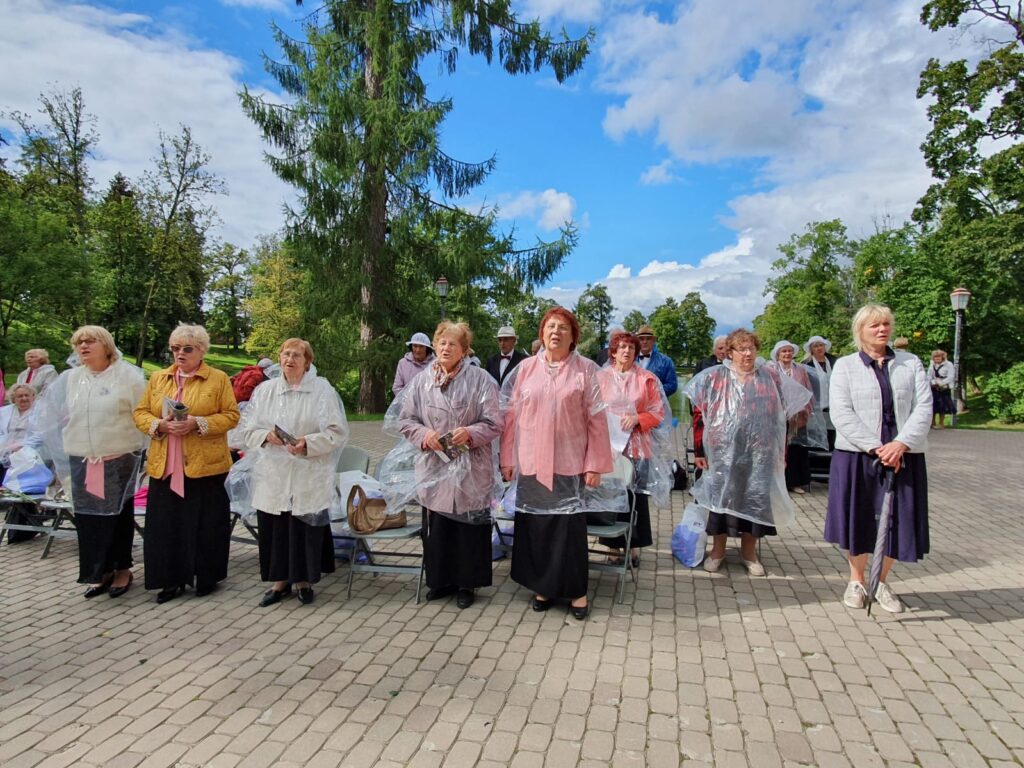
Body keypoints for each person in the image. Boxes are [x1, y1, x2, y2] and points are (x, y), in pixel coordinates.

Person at [500, 307, 613, 620]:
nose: (556, 332)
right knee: (537, 526)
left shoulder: (586, 370)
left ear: (573, 336)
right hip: (532, 462)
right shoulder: (524, 370)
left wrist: (594, 464)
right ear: (541, 334)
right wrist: (507, 458)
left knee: (568, 528)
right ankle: (543, 587)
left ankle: (576, 591)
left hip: (569, 461)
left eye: (563, 327)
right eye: (550, 326)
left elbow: (597, 420)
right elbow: (510, 416)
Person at [385, 321, 502, 609]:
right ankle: (440, 579)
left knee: (469, 527)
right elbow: (405, 420)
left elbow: (495, 421)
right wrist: (426, 436)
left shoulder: (481, 379)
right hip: (433, 464)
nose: (446, 347)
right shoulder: (421, 381)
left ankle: (467, 583)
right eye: (442, 342)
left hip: (471, 466)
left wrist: (470, 433)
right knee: (437, 526)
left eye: (453, 343)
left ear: (464, 349)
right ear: (434, 347)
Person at [825, 304, 932, 613]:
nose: (882, 330)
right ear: (861, 331)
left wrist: (900, 444)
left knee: (899, 520)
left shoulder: (910, 363)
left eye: (886, 324)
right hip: (859, 455)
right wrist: (876, 447)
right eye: (874, 325)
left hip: (904, 454)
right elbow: (841, 412)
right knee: (857, 517)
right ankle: (857, 580)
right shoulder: (845, 366)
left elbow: (923, 407)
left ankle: (880, 581)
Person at [231, 339, 348, 607]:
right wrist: (266, 435)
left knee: (303, 527)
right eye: (285, 354)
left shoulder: (322, 390)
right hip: (274, 472)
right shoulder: (265, 391)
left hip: (308, 471)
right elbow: (246, 430)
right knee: (276, 527)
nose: (289, 359)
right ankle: (279, 581)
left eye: (297, 355)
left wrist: (307, 443)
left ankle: (304, 581)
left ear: (307, 361)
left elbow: (337, 432)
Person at [686, 329, 811, 577]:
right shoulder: (716, 378)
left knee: (756, 500)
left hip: (760, 453)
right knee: (721, 500)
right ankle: (717, 551)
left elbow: (779, 420)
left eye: (751, 348)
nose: (747, 353)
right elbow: (701, 415)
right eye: (741, 349)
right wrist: (700, 450)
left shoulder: (769, 378)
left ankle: (749, 553)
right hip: (723, 453)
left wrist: (780, 454)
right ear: (729, 352)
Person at [133, 324, 240, 604]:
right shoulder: (158, 378)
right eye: (175, 348)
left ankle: (205, 577)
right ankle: (169, 580)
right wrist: (159, 425)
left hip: (204, 465)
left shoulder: (217, 379)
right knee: (165, 526)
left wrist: (198, 423)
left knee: (206, 524)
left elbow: (231, 416)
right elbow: (140, 412)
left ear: (202, 350)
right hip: (165, 464)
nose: (180, 353)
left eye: (187, 348)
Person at [40, 327, 146, 596]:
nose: (83, 346)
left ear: (106, 345)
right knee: (88, 518)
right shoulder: (71, 378)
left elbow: (143, 416)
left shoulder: (128, 376)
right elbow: (51, 415)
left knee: (118, 516)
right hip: (82, 458)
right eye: (78, 342)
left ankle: (122, 569)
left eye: (89, 341)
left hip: (118, 458)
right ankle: (99, 570)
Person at [595, 331, 670, 568]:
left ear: (637, 352)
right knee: (610, 495)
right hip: (609, 448)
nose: (626, 351)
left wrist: (638, 417)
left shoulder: (647, 379)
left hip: (637, 447)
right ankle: (614, 548)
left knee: (635, 497)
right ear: (613, 351)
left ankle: (634, 546)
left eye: (631, 347)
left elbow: (658, 412)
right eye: (622, 347)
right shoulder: (601, 377)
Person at [770, 340, 818, 495]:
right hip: (776, 415)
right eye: (784, 351)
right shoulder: (771, 369)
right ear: (778, 354)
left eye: (789, 351)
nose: (787, 354)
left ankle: (795, 482)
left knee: (796, 449)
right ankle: (777, 482)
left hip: (796, 416)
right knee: (777, 448)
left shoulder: (800, 370)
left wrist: (806, 410)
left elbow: (807, 390)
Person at [0, 384, 46, 544]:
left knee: (16, 465)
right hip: (5, 450)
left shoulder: (40, 412)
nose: (24, 399)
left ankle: (23, 520)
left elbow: (41, 434)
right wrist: (4, 447)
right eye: (20, 396)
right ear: (13, 398)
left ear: (33, 397)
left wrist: (22, 446)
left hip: (32, 453)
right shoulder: (4, 412)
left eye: (27, 395)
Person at [802, 335, 837, 450]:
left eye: (821, 345)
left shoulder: (834, 361)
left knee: (833, 435)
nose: (819, 348)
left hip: (834, 405)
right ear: (811, 349)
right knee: (818, 434)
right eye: (816, 346)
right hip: (816, 406)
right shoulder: (806, 365)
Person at [635, 326, 678, 397]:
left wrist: (652, 392)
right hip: (634, 406)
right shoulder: (630, 359)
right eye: (641, 339)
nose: (645, 342)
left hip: (657, 405)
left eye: (648, 339)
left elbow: (672, 385)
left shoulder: (666, 361)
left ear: (653, 340)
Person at [393, 332, 436, 397]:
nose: (418, 350)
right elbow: (397, 388)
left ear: (427, 348)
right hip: (407, 404)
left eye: (421, 346)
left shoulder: (436, 363)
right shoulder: (403, 363)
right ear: (411, 347)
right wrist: (408, 401)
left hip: (430, 405)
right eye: (415, 346)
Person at [928, 350, 956, 428]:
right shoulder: (932, 365)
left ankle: (941, 423)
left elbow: (951, 376)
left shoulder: (949, 364)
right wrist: (932, 383)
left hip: (944, 387)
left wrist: (941, 383)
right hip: (934, 387)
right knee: (933, 406)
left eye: (938, 357)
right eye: (935, 357)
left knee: (942, 406)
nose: (936, 359)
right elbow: (929, 376)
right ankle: (932, 423)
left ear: (942, 357)